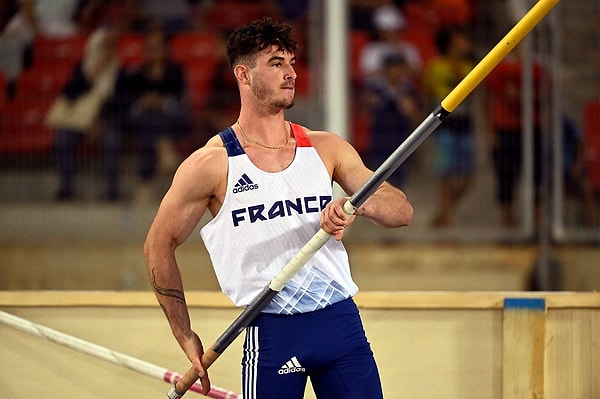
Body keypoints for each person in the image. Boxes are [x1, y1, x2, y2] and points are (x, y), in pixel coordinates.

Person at [144, 17, 413, 399]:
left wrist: (356, 204)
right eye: (275, 63)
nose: (291, 74)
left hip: (341, 325)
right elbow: (158, 244)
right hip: (272, 332)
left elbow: (402, 211)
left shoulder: (325, 147)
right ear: (243, 73)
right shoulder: (212, 164)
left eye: (291, 62)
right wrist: (183, 332)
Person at [52, 27, 130, 201]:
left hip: (105, 123)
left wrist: (101, 123)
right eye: (105, 46)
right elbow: (69, 96)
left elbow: (123, 106)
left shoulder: (120, 73)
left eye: (111, 46)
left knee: (111, 139)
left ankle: (112, 190)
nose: (108, 51)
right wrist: (94, 73)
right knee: (62, 138)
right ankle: (67, 189)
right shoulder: (81, 69)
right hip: (79, 123)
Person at [127, 26, 191, 202]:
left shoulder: (175, 71)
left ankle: (144, 183)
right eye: (150, 48)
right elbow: (130, 107)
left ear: (165, 48)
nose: (153, 52)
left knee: (153, 124)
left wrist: (161, 102)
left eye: (157, 47)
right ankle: (165, 149)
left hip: (171, 121)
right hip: (143, 122)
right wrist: (146, 101)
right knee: (148, 119)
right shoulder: (138, 73)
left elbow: (181, 104)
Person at [422, 26, 474, 227]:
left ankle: (444, 213)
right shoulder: (435, 67)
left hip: (465, 126)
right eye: (460, 40)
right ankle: (447, 219)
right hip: (443, 128)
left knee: (468, 176)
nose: (464, 44)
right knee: (444, 176)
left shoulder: (469, 67)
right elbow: (428, 93)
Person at [362, 51, 421, 187]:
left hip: (401, 139)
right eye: (392, 67)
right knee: (377, 181)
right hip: (380, 140)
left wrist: (409, 108)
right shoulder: (375, 88)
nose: (396, 71)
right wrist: (370, 104)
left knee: (399, 182)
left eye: (399, 67)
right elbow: (365, 113)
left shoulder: (407, 89)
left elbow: (416, 114)